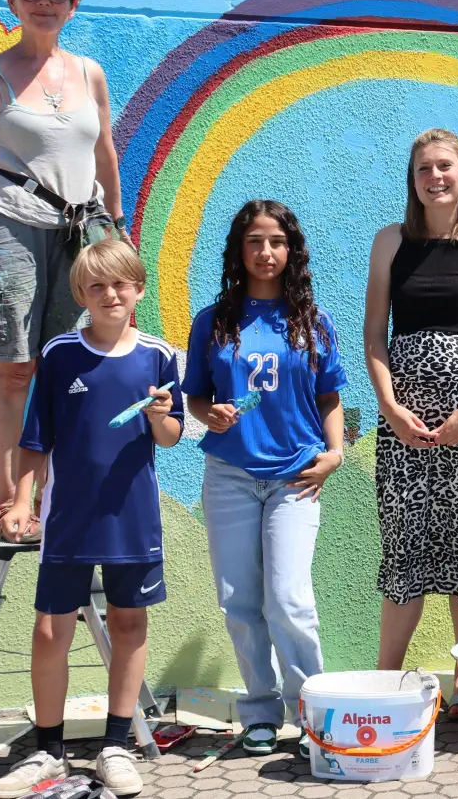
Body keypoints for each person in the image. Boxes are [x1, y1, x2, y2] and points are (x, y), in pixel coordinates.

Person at [0, 0, 129, 543]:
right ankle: (8, 501)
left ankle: (47, 495)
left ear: (73, 3)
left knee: (59, 367)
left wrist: (118, 228)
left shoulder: (89, 73)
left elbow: (104, 155)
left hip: (80, 229)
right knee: (14, 366)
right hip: (6, 222)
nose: (43, 0)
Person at [0, 240, 182, 798]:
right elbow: (35, 440)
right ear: (81, 294)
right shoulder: (58, 355)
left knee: (128, 625)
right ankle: (48, 753)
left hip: (133, 518)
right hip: (68, 519)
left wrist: (161, 416)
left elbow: (169, 439)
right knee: (50, 631)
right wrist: (23, 501)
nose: (109, 294)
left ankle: (116, 746)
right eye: (96, 286)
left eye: (120, 284)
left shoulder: (158, 356)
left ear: (138, 290)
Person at [184, 200, 347, 758]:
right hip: (229, 474)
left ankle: (313, 714)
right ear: (239, 249)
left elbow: (330, 396)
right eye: (255, 241)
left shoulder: (312, 320)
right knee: (239, 602)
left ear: (291, 249)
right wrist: (209, 414)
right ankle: (259, 710)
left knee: (289, 599)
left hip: (295, 476)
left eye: (276, 241)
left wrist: (336, 452)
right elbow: (197, 395)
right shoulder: (213, 321)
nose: (266, 252)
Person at [364, 129, 458, 719]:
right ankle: (384, 682)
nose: (435, 177)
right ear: (414, 180)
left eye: (445, 166)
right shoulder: (390, 243)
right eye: (424, 168)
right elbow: (376, 333)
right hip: (403, 419)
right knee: (404, 546)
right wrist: (390, 407)